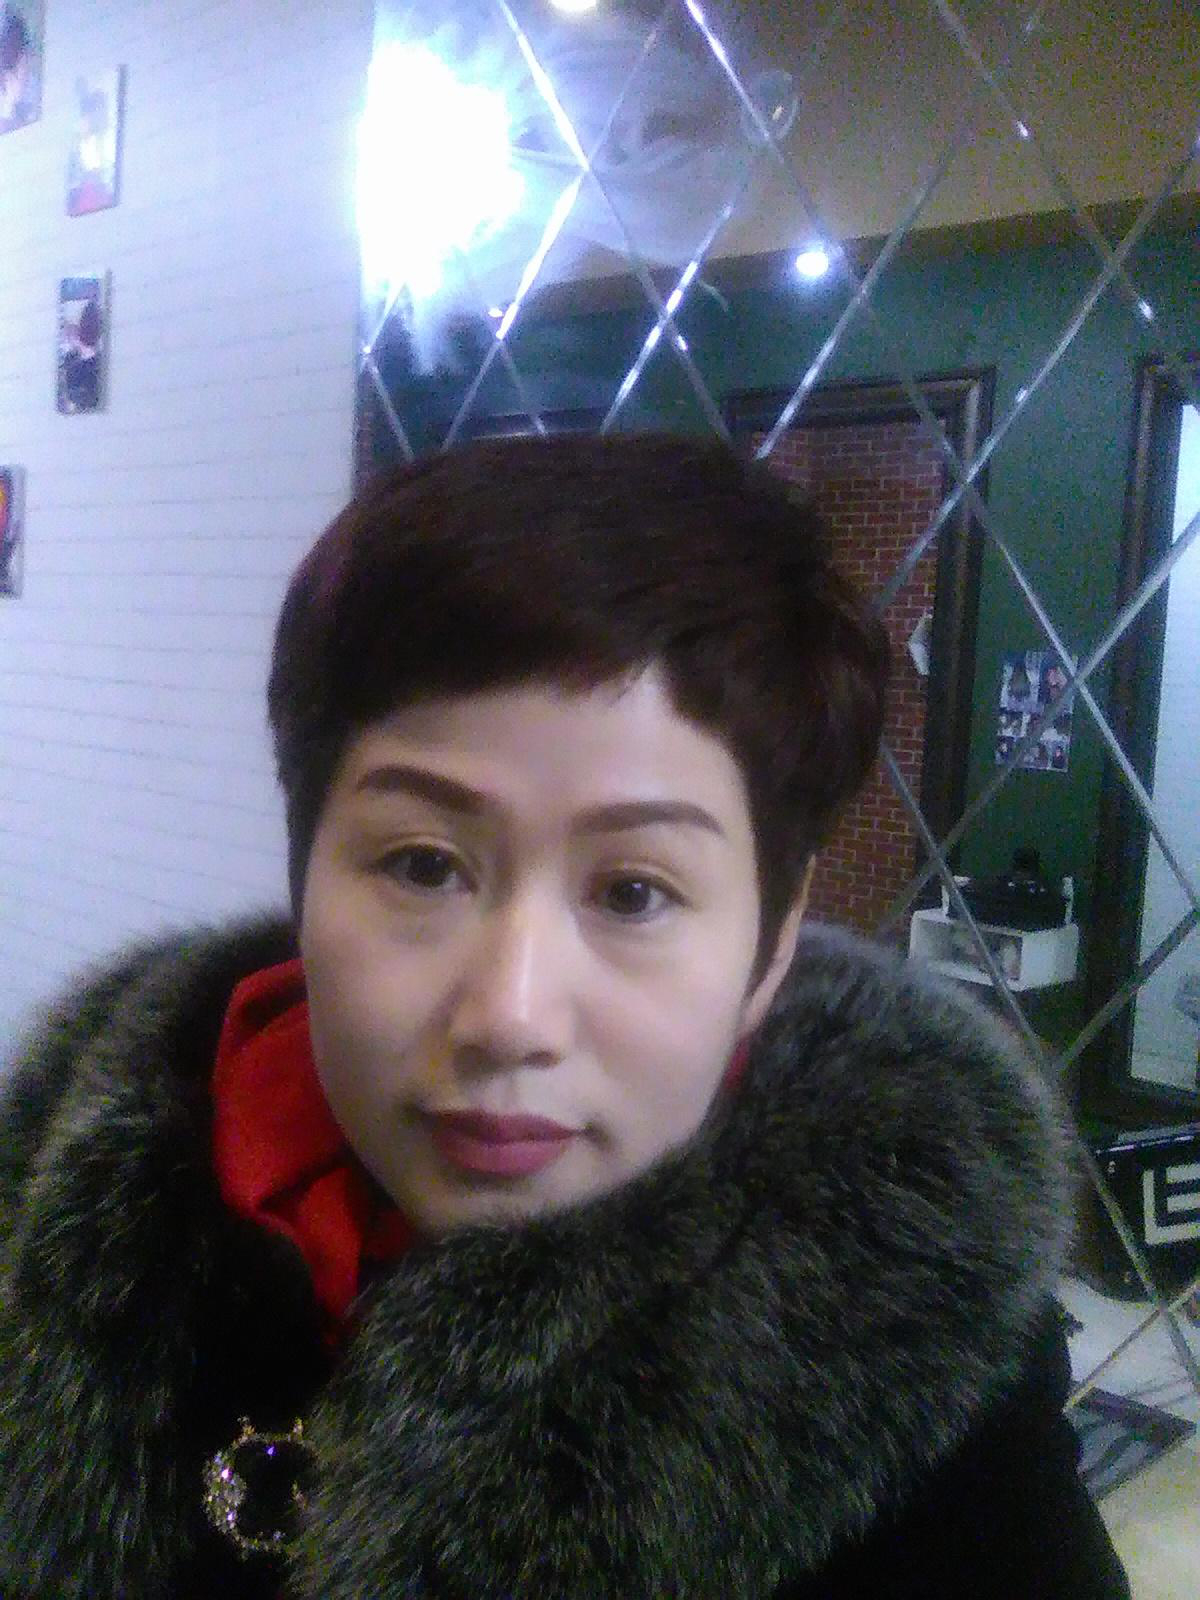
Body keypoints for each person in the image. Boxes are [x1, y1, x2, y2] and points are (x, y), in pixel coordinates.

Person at [0, 434, 1128, 1597]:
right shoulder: (49, 1205)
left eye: (633, 893)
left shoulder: (924, 1384)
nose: (509, 1015)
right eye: (423, 865)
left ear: (773, 937)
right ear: (304, 871)